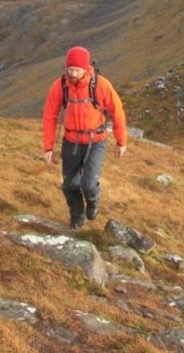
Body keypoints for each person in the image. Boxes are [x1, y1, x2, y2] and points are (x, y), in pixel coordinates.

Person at [41, 46, 127, 229]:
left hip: (96, 142)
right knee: (69, 186)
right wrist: (48, 147)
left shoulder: (101, 85)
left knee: (88, 184)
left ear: (86, 68)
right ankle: (77, 216)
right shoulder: (60, 86)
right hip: (71, 142)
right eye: (69, 69)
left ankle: (93, 201)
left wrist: (121, 141)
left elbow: (117, 111)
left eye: (76, 70)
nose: (72, 73)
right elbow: (49, 116)